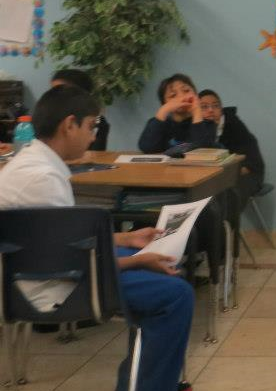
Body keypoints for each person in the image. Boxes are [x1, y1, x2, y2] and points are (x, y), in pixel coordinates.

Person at [0, 85, 194, 391]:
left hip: (42, 271)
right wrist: (138, 260)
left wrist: (125, 240)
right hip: (51, 286)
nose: (93, 136)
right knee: (174, 295)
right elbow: (71, 263)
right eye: (92, 126)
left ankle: (147, 382)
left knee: (165, 277)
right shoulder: (43, 178)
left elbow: (59, 239)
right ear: (69, 125)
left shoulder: (32, 164)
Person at [198, 88, 265, 205]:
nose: (211, 110)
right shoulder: (197, 128)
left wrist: (222, 178)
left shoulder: (234, 125)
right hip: (215, 176)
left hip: (246, 173)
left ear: (221, 109)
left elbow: (252, 163)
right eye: (204, 107)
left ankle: (225, 222)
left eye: (215, 106)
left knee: (229, 192)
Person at [138, 73, 216, 153]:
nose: (182, 97)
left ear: (196, 95)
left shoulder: (208, 125)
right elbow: (147, 147)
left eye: (186, 91)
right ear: (165, 103)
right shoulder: (158, 124)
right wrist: (163, 111)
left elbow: (202, 151)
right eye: (173, 95)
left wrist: (196, 112)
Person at [51, 68, 110, 150]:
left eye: (59, 92)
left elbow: (96, 156)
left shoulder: (96, 122)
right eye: (52, 92)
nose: (53, 97)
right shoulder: (48, 119)